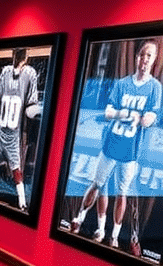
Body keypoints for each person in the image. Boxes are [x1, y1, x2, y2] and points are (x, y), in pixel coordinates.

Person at [69, 38, 162, 253]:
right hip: (111, 143)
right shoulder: (122, 84)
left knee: (122, 193)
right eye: (142, 55)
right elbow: (109, 111)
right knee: (97, 184)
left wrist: (146, 117)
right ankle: (80, 219)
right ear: (137, 56)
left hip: (131, 150)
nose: (145, 60)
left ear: (154, 60)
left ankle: (114, 236)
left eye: (150, 56)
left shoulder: (155, 88)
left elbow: (151, 117)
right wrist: (128, 114)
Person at [0, 47, 40, 210]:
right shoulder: (5, 72)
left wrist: (39, 112)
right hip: (2, 128)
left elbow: (31, 106)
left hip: (14, 132)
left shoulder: (30, 74)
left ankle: (21, 199)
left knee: (16, 167)